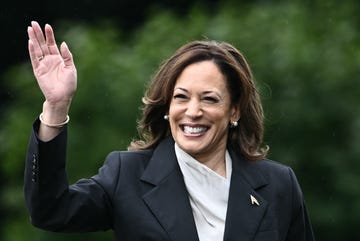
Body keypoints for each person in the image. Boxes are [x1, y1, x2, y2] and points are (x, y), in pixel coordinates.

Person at [24, 21, 315, 241]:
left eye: (210, 99)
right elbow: (51, 211)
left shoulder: (278, 185)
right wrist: (56, 107)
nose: (192, 111)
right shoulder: (126, 175)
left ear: (234, 110)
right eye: (181, 97)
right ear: (166, 106)